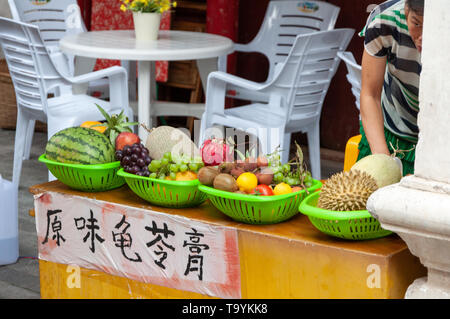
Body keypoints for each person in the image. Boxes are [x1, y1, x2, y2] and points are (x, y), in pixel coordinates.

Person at [358, 0, 424, 175]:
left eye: (431, 27)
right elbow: (369, 95)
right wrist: (384, 164)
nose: (422, 37)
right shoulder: (383, 22)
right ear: (406, 9)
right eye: (416, 23)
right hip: (389, 134)